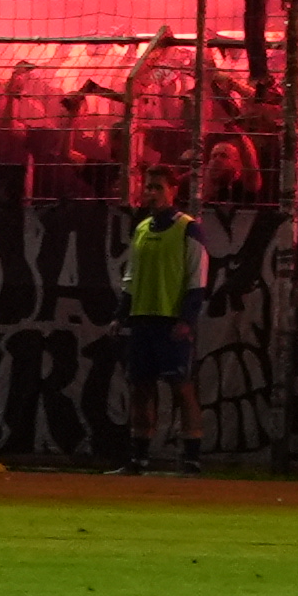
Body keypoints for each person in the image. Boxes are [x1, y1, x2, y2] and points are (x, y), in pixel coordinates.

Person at [116, 172, 208, 473]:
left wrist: (187, 319)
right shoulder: (142, 228)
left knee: (181, 386)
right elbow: (130, 276)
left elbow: (197, 278)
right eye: (148, 187)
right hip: (143, 317)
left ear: (173, 191)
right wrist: (122, 314)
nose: (151, 193)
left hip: (170, 320)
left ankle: (191, 458)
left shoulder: (188, 229)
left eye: (158, 187)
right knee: (140, 387)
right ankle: (138, 457)